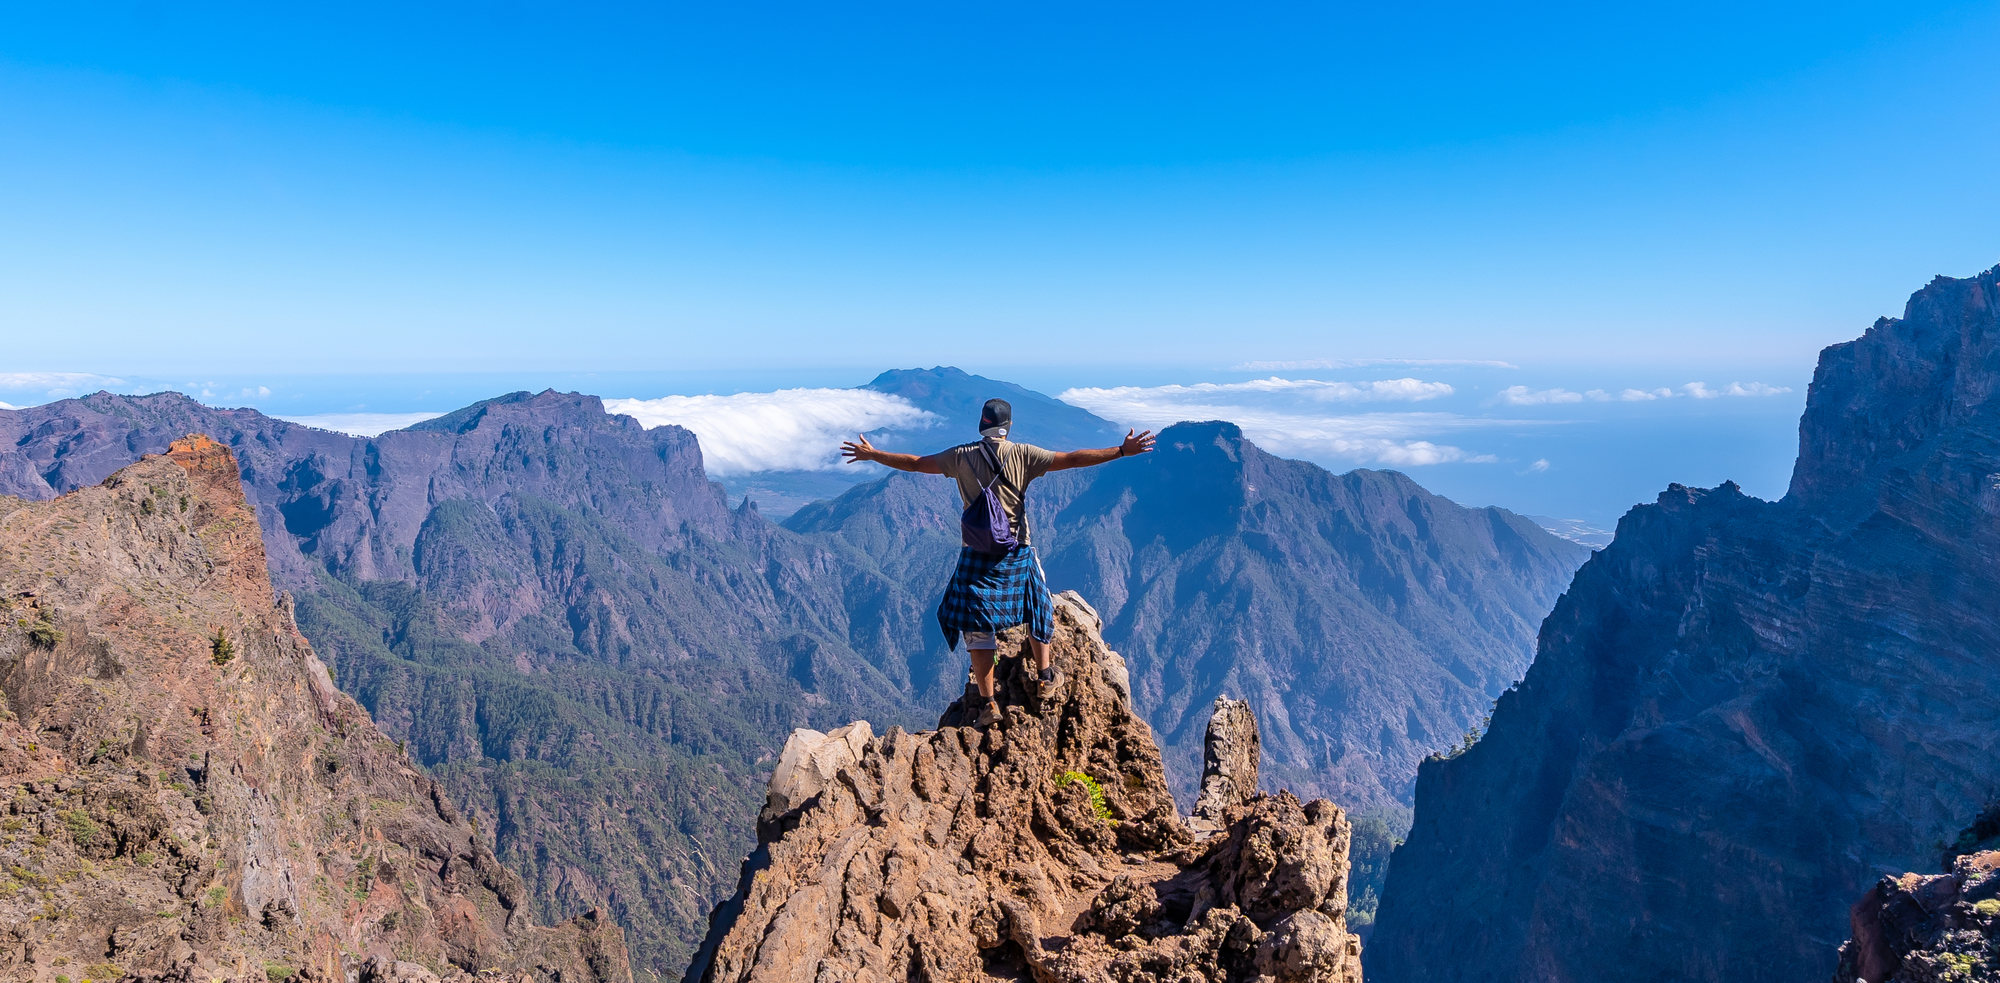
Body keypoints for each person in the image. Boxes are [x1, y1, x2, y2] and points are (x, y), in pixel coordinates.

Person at [840, 398, 1155, 727]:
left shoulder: (961, 456)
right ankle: (1046, 676)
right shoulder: (1024, 455)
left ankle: (989, 703)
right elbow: (1074, 459)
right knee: (1037, 603)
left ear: (982, 423)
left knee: (977, 626)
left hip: (975, 553)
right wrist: (1120, 451)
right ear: (1009, 427)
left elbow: (917, 463)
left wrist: (874, 454)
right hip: (1017, 549)